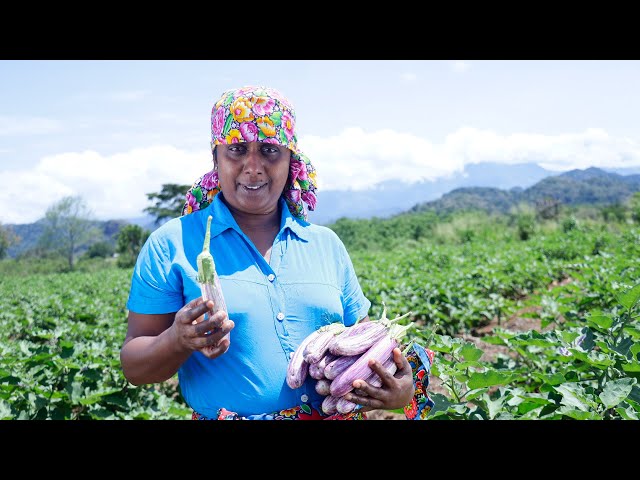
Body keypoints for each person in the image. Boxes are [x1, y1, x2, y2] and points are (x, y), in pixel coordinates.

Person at [120, 85, 435, 420]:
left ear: (291, 160)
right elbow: (135, 368)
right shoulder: (171, 244)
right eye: (237, 149)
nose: (253, 167)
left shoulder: (325, 245)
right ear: (216, 157)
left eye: (270, 150)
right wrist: (177, 340)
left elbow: (366, 346)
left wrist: (400, 390)